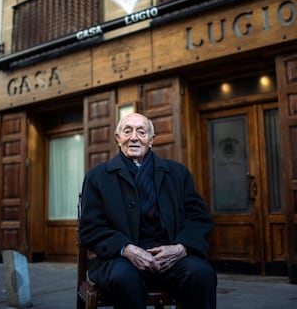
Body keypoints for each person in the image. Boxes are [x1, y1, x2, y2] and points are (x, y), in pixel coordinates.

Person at [79, 112, 217, 308]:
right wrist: (126, 249)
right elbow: (90, 229)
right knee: (122, 278)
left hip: (170, 259)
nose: (134, 137)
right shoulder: (98, 176)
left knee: (201, 273)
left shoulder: (177, 173)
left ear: (151, 140)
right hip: (121, 259)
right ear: (118, 139)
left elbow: (199, 217)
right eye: (128, 131)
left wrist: (180, 248)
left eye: (141, 132)